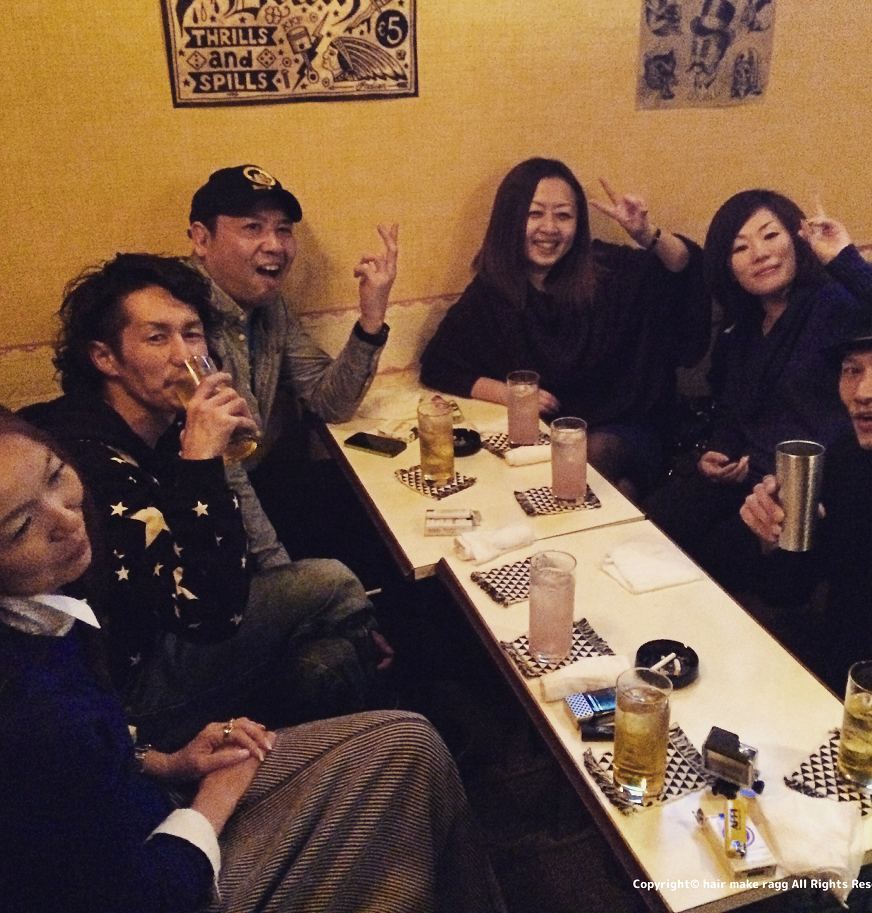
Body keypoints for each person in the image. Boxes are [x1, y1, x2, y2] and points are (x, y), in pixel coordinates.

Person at [0, 411, 506, 913]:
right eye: (21, 526)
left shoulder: (44, 611)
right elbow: (146, 896)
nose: (66, 519)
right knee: (401, 751)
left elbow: (100, 743)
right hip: (168, 872)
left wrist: (166, 761)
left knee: (395, 727)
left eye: (56, 475)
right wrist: (211, 802)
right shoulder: (35, 713)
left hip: (148, 800)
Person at [22, 254, 390, 751]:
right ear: (105, 358)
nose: (183, 355)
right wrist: (201, 463)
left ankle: (355, 743)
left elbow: (222, 563)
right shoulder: (90, 460)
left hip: (178, 631)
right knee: (332, 580)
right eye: (157, 338)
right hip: (125, 692)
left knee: (327, 660)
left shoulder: (168, 424)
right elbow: (209, 614)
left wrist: (210, 460)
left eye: (192, 334)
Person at [740, 286, 872, 807]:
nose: (863, 391)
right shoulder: (850, 464)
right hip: (826, 718)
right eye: (851, 370)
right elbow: (789, 591)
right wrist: (771, 536)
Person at [419, 157, 710, 500]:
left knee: (585, 456)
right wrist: (510, 393)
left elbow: (682, 268)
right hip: (549, 438)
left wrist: (647, 235)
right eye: (534, 213)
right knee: (591, 484)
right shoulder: (492, 293)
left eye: (563, 215)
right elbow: (439, 364)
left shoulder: (606, 268)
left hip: (627, 427)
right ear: (510, 219)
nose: (550, 228)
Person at [642, 189, 872, 586]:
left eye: (771, 235)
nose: (759, 253)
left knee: (701, 563)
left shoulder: (831, 303)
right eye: (740, 247)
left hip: (808, 489)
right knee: (648, 523)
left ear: (797, 238)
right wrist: (719, 452)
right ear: (728, 266)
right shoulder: (742, 327)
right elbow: (731, 409)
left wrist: (844, 258)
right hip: (744, 479)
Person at [186, 164, 399, 572]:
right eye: (252, 228)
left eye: (283, 229)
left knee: (382, 529)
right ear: (201, 239)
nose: (274, 245)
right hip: (207, 516)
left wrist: (372, 317)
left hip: (267, 484)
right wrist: (283, 573)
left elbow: (330, 402)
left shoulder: (270, 307)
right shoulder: (183, 321)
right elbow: (227, 469)